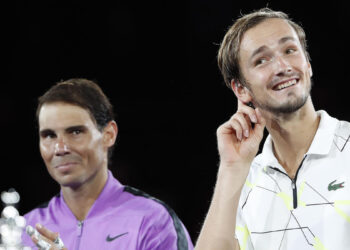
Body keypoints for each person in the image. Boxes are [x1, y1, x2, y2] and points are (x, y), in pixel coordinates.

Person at [195, 8, 350, 250]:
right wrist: (232, 168)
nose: (282, 66)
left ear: (307, 64)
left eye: (290, 50)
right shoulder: (242, 182)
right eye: (261, 60)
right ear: (241, 90)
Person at [22, 78, 193, 250]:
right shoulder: (24, 230)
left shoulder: (152, 221)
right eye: (49, 135)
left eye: (75, 132)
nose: (60, 148)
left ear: (109, 134)